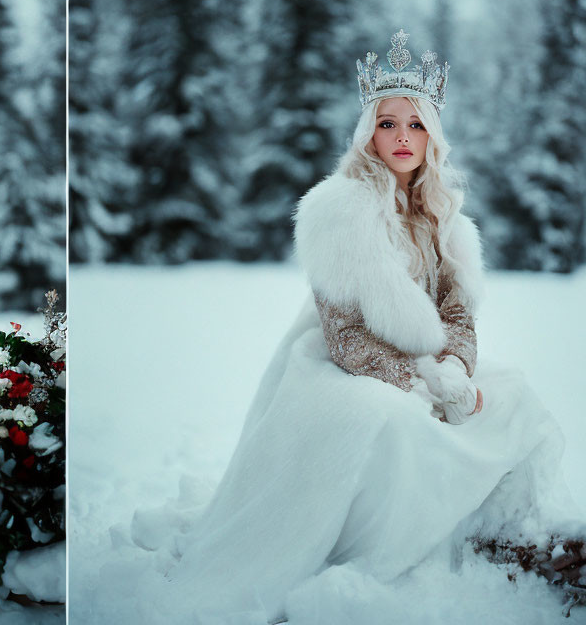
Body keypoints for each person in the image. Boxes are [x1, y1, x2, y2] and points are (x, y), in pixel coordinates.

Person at [141, 30, 583, 621]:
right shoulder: (338, 210)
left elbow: (457, 313)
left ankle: (495, 532)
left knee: (511, 397)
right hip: (343, 370)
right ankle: (389, 557)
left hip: (428, 366)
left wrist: (454, 369)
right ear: (367, 134)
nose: (402, 137)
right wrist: (422, 380)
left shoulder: (445, 218)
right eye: (388, 123)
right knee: (391, 421)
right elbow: (346, 338)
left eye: (416, 124)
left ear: (433, 136)